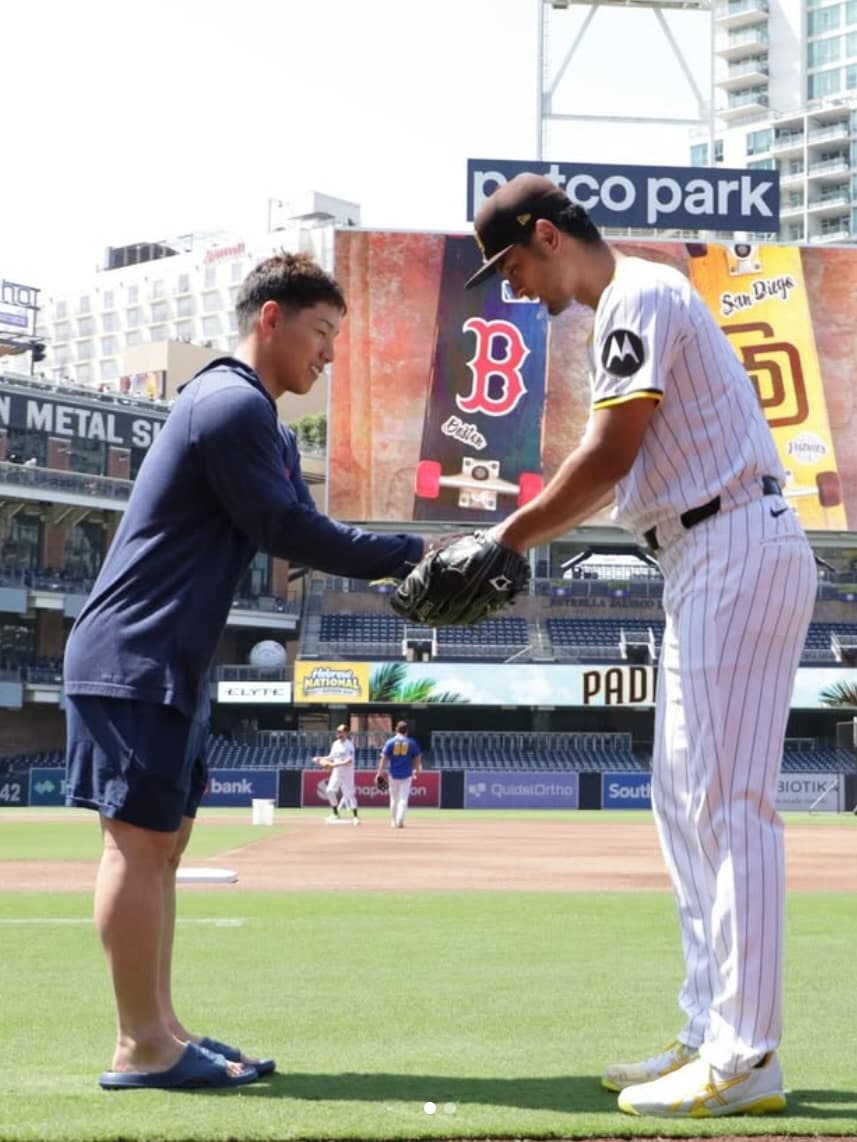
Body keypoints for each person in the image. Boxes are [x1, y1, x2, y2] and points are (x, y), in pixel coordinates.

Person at [466, 175, 816, 1118]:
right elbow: (619, 463)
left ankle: (747, 1056)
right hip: (695, 552)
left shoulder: (642, 293)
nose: (515, 289)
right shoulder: (621, 310)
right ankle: (709, 1028)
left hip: (733, 537)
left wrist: (501, 539)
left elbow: (612, 454)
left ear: (547, 234)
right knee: (680, 799)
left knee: (730, 804)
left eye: (510, 266)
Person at [63, 252, 448, 1090]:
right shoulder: (230, 402)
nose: (329, 355)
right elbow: (285, 530)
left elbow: (303, 524)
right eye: (320, 333)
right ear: (269, 318)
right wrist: (416, 552)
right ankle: (139, 1046)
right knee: (135, 844)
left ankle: (163, 1030)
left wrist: (399, 560)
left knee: (163, 846)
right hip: (135, 652)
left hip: (169, 656)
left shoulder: (259, 418)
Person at [377, 721, 423, 828]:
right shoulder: (411, 742)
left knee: (394, 798)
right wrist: (418, 769)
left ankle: (393, 821)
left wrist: (379, 772)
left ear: (396, 730)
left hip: (393, 774)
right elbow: (417, 757)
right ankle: (400, 820)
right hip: (406, 774)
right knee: (403, 798)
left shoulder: (390, 742)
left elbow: (384, 758)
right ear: (407, 731)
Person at [314, 723, 360, 825]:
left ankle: (356, 817)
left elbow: (349, 761)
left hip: (347, 773)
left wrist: (334, 765)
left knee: (350, 794)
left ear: (345, 733)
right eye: (338, 731)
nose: (338, 733)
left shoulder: (349, 745)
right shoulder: (335, 744)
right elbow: (331, 756)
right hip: (337, 773)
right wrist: (320, 758)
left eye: (340, 731)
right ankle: (335, 813)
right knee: (329, 790)